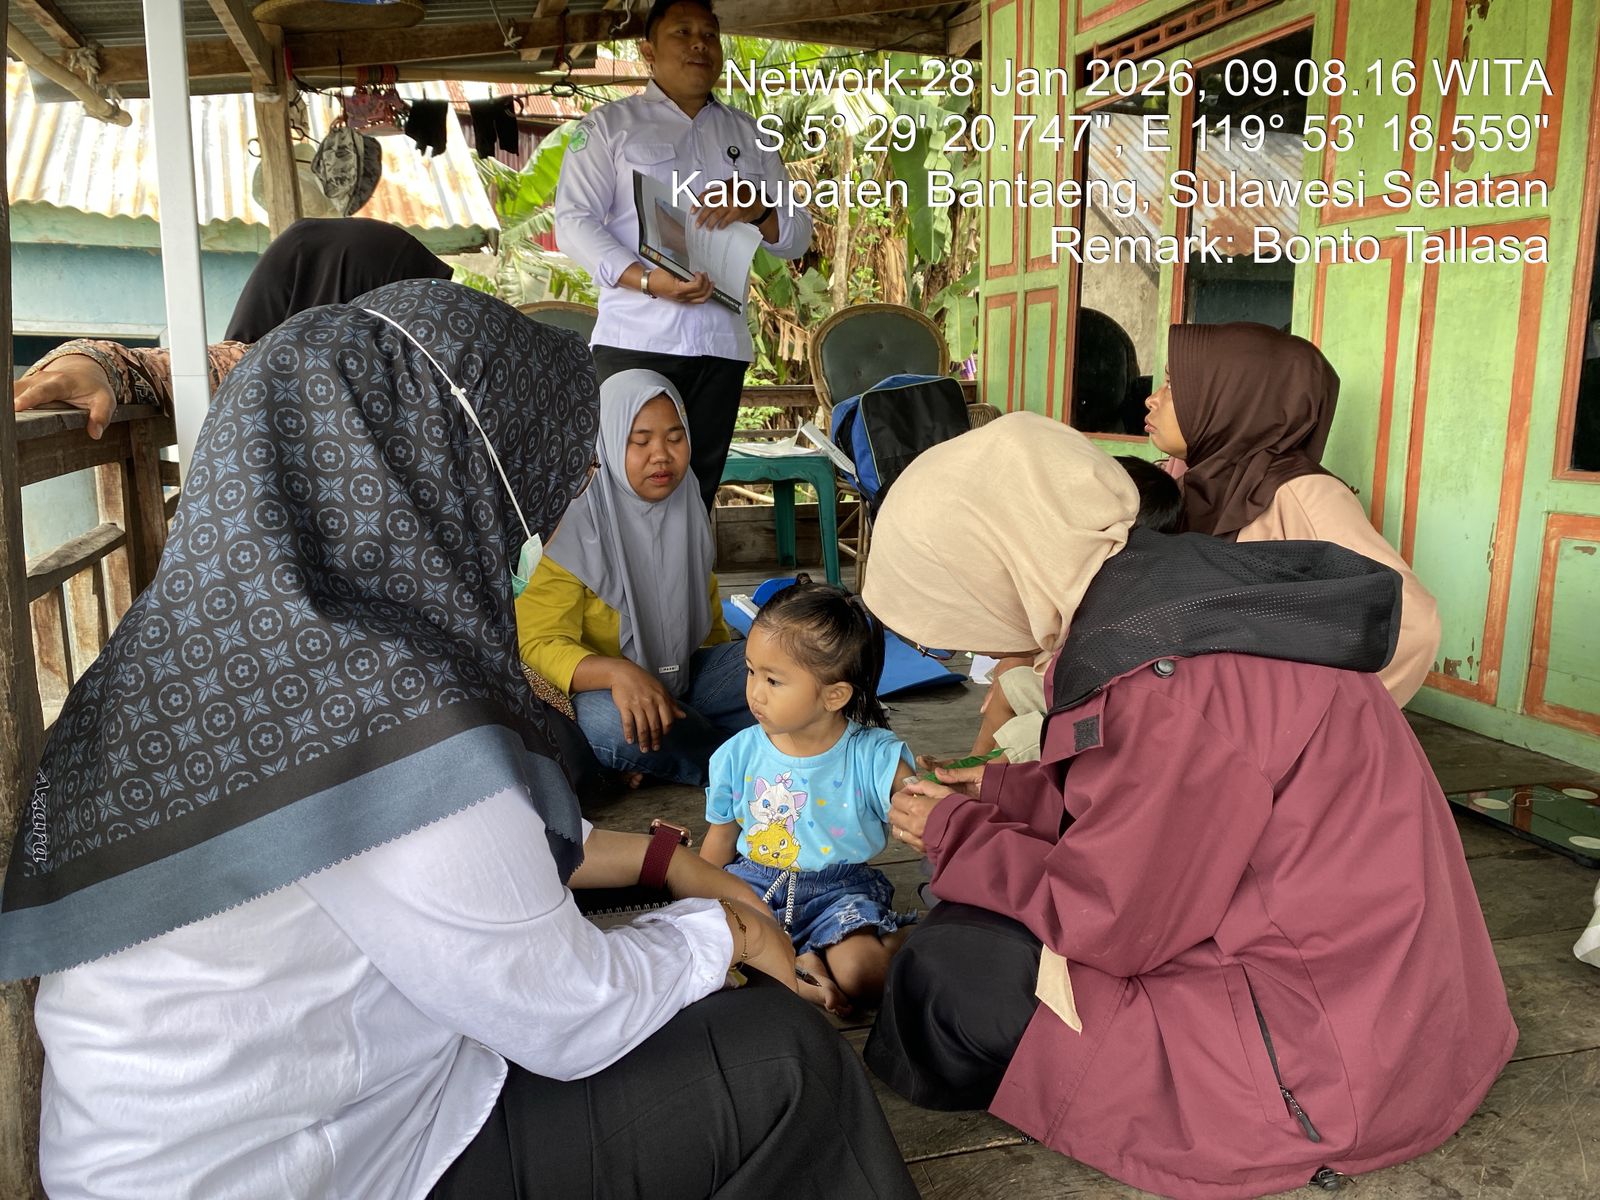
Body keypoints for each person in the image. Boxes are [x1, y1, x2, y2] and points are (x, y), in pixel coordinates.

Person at [1, 279, 917, 1200]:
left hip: (178, 1153)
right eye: (544, 469)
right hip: (313, 1168)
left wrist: (668, 865)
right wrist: (724, 933)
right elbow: (564, 1011)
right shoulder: (383, 703)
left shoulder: (187, 661)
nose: (566, 494)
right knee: (783, 1056)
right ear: (453, 474)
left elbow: (463, 856)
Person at [855, 412, 1515, 1200]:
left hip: (1324, 1069)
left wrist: (957, 832)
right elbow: (1145, 800)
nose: (958, 640)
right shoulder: (1179, 589)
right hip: (1400, 1014)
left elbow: (1115, 922)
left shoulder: (1166, 679)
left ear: (1006, 560)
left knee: (951, 970)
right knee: (970, 923)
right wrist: (996, 790)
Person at [554, 0, 815, 510]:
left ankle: (692, 567)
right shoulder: (610, 126)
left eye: (710, 34)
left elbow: (797, 236)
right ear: (648, 51)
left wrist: (759, 209)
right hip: (637, 338)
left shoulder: (750, 136)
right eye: (683, 32)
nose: (700, 44)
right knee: (622, 494)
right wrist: (647, 280)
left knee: (697, 495)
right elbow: (573, 222)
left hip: (720, 345)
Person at [1144, 320, 1441, 704]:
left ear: (1234, 398)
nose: (1153, 399)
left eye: (1173, 385)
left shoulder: (1301, 493)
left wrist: (1305, 716)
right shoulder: (1195, 480)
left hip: (1244, 725)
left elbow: (1412, 623)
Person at [517, 370, 755, 787]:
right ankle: (745, 761)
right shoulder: (570, 525)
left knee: (789, 663)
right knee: (606, 727)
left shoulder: (687, 502)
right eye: (639, 441)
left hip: (686, 677)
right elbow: (538, 644)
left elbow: (708, 612)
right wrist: (617, 674)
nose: (661, 455)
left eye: (675, 438)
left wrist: (730, 671)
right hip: (607, 693)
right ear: (607, 443)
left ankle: (678, 750)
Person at [12, 216, 452, 439]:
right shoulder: (270, 370)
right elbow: (155, 369)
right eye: (401, 296)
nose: (421, 320)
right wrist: (87, 365)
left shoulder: (432, 376)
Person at [701, 579, 917, 1014]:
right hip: (754, 886)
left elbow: (922, 809)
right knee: (709, 954)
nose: (754, 692)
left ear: (834, 695)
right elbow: (720, 839)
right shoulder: (736, 755)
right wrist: (699, 904)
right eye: (750, 671)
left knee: (865, 978)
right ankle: (806, 964)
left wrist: (923, 797)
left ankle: (899, 936)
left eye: (773, 680)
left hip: (839, 892)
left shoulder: (873, 756)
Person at [953, 453, 1184, 767]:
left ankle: (980, 781)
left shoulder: (1128, 598)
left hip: (1107, 717)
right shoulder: (1100, 577)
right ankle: (971, 764)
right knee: (1011, 683)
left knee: (1023, 735)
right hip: (1070, 692)